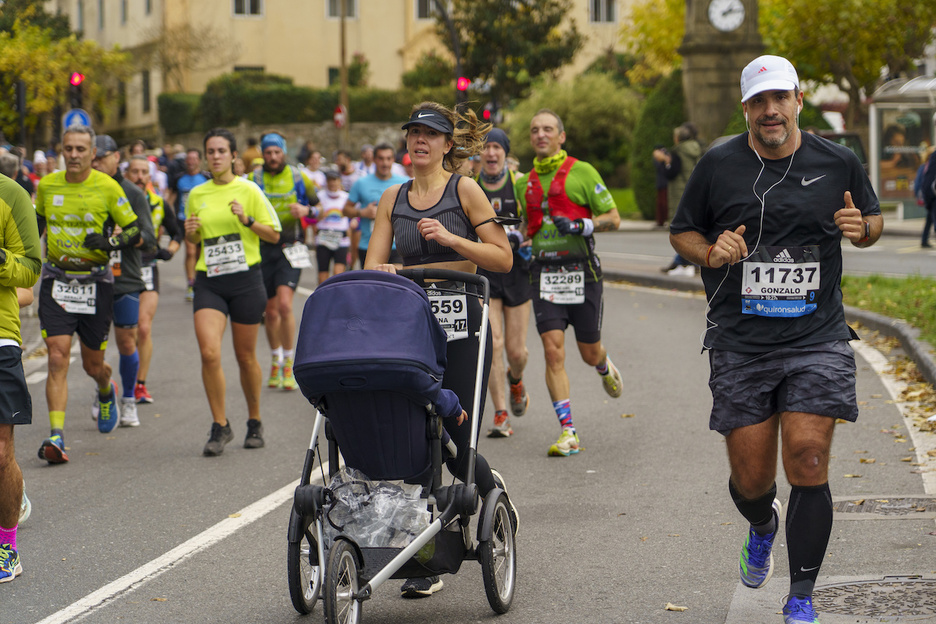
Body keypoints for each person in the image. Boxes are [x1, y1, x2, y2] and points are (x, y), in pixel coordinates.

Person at [669, 55, 882, 624]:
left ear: (797, 100)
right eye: (759, 102)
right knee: (752, 479)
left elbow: (872, 218)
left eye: (779, 98)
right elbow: (682, 231)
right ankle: (762, 525)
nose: (770, 110)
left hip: (818, 336)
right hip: (741, 341)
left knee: (809, 459)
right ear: (746, 108)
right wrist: (710, 252)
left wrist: (862, 230)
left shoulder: (838, 161)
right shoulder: (718, 163)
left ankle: (801, 597)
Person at [365, 102, 516, 598]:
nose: (419, 141)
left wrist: (453, 238)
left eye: (430, 134)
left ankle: (491, 495)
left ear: (448, 145)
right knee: (412, 437)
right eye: (412, 133)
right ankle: (424, 559)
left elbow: (502, 257)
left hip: (462, 322)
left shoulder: (464, 189)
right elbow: (372, 267)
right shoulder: (392, 196)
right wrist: (382, 273)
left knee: (455, 438)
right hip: (409, 326)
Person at [514, 108, 624, 458]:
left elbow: (614, 218)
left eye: (548, 129)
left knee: (588, 351)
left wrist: (581, 226)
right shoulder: (523, 182)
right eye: (535, 130)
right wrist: (517, 240)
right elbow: (523, 226)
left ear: (561, 137)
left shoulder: (582, 172)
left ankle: (604, 365)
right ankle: (568, 431)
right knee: (552, 350)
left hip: (582, 272)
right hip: (544, 272)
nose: (540, 134)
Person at [35, 125, 143, 463]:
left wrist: (110, 242)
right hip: (57, 281)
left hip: (96, 284)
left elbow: (136, 230)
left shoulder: (108, 187)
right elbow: (35, 227)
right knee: (57, 355)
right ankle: (57, 436)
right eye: (68, 148)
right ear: (61, 151)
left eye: (81, 149)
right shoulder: (48, 185)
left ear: (93, 153)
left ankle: (104, 387)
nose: (74, 155)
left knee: (93, 364)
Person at [184, 128, 281, 456]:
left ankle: (254, 420)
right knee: (209, 352)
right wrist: (192, 235)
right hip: (210, 280)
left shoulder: (250, 189)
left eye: (221, 151)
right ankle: (220, 424)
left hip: (245, 280)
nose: (215, 156)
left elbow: (273, 235)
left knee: (245, 356)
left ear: (234, 156)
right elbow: (195, 241)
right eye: (210, 151)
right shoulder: (197, 194)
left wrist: (248, 220)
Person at [89, 136, 157, 428]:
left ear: (116, 158)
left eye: (101, 157)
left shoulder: (131, 192)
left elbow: (150, 240)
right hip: (90, 276)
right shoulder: (83, 189)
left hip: (125, 276)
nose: (96, 162)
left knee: (127, 340)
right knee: (92, 350)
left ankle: (129, 400)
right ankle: (104, 387)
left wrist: (122, 236)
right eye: (93, 157)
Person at [474, 128, 532, 438]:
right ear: (480, 154)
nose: (491, 153)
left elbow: (535, 221)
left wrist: (521, 236)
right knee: (493, 343)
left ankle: (516, 378)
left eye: (497, 147)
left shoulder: (520, 183)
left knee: (516, 351)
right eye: (486, 147)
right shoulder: (471, 186)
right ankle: (500, 413)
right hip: (486, 271)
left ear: (505, 154)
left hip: (518, 270)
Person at [252, 132, 318, 391]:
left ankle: (288, 361)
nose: (272, 157)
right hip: (262, 249)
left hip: (291, 248)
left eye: (277, 152)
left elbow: (318, 208)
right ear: (263, 154)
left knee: (284, 304)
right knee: (270, 311)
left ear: (284, 152)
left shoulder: (299, 177)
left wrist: (306, 211)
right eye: (268, 153)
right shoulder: (254, 179)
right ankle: (275, 359)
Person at [0, 172, 41, 583]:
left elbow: (30, 269)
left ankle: (6, 545)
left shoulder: (10, 194)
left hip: (0, 336)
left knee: (1, 453)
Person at [125, 155, 183, 404]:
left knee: (144, 327)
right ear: (127, 175)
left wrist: (169, 251)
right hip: (120, 270)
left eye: (144, 172)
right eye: (135, 172)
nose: (139, 177)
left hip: (147, 267)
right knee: (125, 333)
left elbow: (177, 232)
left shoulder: (158, 203)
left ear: (150, 176)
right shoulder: (113, 199)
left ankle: (140, 384)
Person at [343, 142, 409, 268]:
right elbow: (345, 210)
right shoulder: (361, 183)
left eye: (389, 159)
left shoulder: (404, 183)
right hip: (368, 245)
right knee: (374, 286)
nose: (385, 163)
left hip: (398, 246)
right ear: (374, 160)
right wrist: (362, 213)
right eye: (381, 158)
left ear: (393, 160)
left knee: (397, 285)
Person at [656, 123, 703, 276]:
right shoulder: (697, 149)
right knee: (692, 227)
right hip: (695, 190)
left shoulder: (678, 152)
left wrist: (665, 162)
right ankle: (681, 261)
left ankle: (687, 261)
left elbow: (671, 173)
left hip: (680, 192)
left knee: (680, 229)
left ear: (678, 138)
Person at [168, 148, 210, 302]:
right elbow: (171, 196)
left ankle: (200, 280)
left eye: (194, 159)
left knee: (200, 253)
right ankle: (191, 283)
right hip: (184, 219)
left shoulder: (206, 177)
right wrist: (167, 215)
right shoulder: (179, 178)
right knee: (191, 252)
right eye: (188, 159)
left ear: (199, 161)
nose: (191, 162)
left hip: (203, 220)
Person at [315, 169, 351, 283]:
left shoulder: (346, 197)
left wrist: (353, 222)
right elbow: (310, 216)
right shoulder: (319, 196)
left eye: (335, 180)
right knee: (323, 274)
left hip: (341, 238)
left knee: (338, 273)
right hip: (323, 237)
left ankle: (336, 299)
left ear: (339, 181)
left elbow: (354, 215)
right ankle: (323, 299)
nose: (332, 183)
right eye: (329, 180)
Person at [917, 145, 936, 248]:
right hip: (931, 196)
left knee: (929, 219)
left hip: (930, 197)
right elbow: (922, 183)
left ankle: (924, 240)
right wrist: (924, 197)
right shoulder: (925, 166)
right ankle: (924, 240)